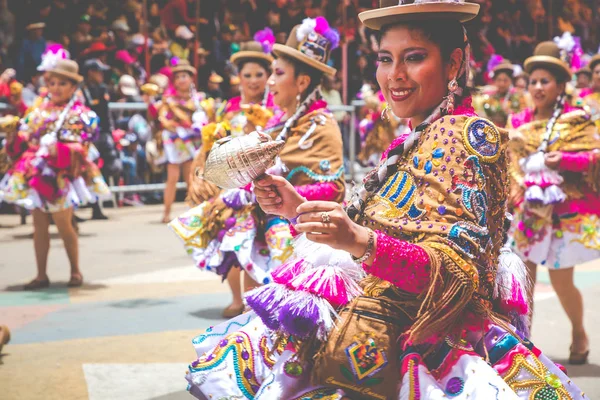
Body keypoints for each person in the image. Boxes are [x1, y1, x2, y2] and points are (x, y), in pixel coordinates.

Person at [183, 2, 586, 399]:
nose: (394, 75)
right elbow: (383, 227)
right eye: (384, 58)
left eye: (413, 58)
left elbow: (458, 275)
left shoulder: (463, 138)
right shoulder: (416, 137)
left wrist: (361, 242)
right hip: (376, 330)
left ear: (453, 63)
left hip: (421, 344)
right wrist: (295, 207)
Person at [171, 18, 345, 323]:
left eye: (277, 74)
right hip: (267, 227)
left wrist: (274, 192)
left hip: (301, 239)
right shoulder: (284, 121)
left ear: (302, 83)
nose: (268, 83)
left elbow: (333, 189)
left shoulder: (319, 125)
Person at [173, 28, 279, 318]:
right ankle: (237, 298)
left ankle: (254, 299)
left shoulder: (275, 108)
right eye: (248, 75)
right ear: (239, 78)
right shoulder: (228, 108)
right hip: (231, 185)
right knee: (230, 240)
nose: (253, 80)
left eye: (259, 74)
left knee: (258, 246)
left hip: (262, 183)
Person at [508, 41, 599, 366]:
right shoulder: (517, 122)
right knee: (524, 280)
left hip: (564, 215)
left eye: (544, 81)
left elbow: (595, 157)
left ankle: (578, 331)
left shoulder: (577, 119)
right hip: (528, 213)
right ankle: (523, 345)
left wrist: (566, 161)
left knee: (561, 280)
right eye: (533, 81)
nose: (537, 87)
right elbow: (507, 162)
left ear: (561, 85)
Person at [0, 59, 110, 290]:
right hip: (36, 173)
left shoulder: (80, 114)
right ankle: (41, 275)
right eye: (52, 82)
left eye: (62, 83)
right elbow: (25, 136)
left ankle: (75, 271)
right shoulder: (38, 110)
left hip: (62, 174)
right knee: (38, 224)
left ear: (73, 87)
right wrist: (14, 137)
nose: (56, 87)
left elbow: (82, 145)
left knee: (64, 224)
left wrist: (60, 149)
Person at [157, 59, 212, 223]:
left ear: (191, 79)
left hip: (193, 141)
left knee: (191, 177)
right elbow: (162, 119)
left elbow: (207, 118)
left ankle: (195, 210)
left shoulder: (199, 100)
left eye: (185, 76)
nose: (182, 79)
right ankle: (166, 213)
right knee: (172, 177)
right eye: (178, 77)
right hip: (175, 142)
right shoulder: (169, 100)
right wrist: (176, 126)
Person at [473, 60, 528, 127]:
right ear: (495, 81)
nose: (502, 84)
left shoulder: (519, 96)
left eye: (505, 80)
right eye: (499, 80)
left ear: (511, 81)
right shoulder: (490, 97)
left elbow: (523, 115)